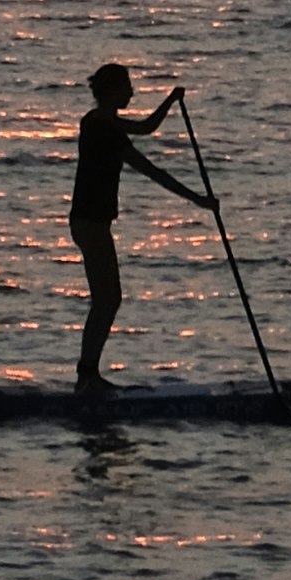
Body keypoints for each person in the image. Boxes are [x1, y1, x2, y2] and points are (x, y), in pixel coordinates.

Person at [68, 58, 205, 389]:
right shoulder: (106, 133)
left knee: (107, 299)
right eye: (127, 87)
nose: (132, 91)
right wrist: (197, 199)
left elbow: (145, 127)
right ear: (114, 91)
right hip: (90, 223)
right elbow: (152, 171)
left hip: (89, 222)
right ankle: (87, 376)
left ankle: (88, 374)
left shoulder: (95, 121)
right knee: (107, 299)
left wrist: (170, 102)